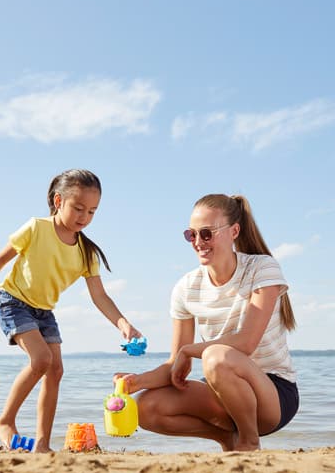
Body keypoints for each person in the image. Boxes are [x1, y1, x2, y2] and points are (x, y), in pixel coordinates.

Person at [0, 169, 141, 452]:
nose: (85, 217)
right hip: (14, 301)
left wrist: (123, 323)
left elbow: (99, 296)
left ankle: (42, 444)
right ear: (58, 201)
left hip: (44, 312)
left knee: (55, 370)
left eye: (92, 211)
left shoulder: (86, 252)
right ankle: (5, 421)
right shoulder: (36, 228)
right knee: (41, 359)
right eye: (78, 208)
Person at [113, 194, 298, 452]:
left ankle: (248, 441)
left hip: (273, 397)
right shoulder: (185, 288)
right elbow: (174, 365)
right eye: (192, 235)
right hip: (221, 390)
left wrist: (189, 351)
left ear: (234, 231)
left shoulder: (262, 269)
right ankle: (226, 440)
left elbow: (245, 342)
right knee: (146, 408)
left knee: (215, 357)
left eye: (207, 233)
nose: (198, 242)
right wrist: (138, 382)